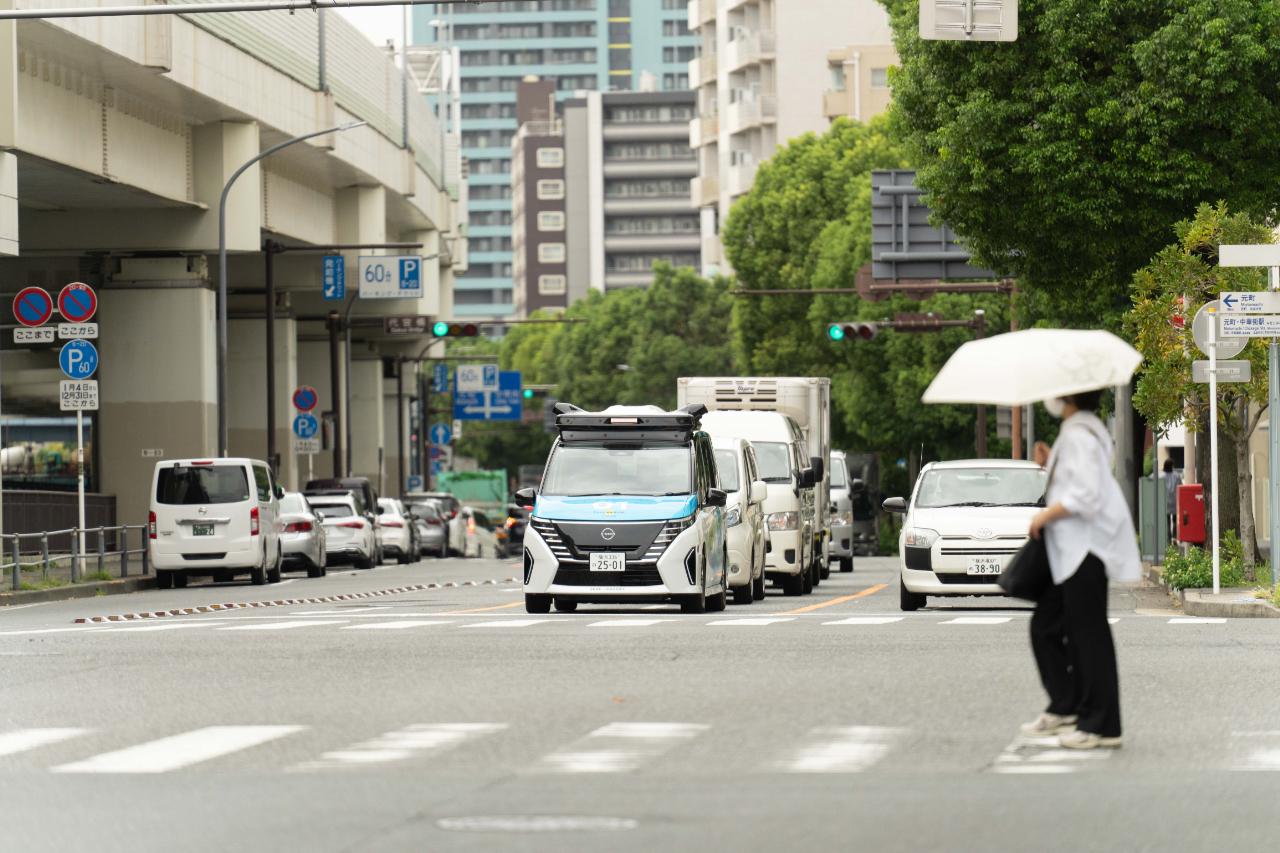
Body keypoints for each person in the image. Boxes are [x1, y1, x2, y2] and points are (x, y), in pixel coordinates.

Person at [1023, 389, 1141, 750]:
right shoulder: (1083, 431)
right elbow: (1079, 483)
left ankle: (1101, 725)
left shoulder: (1078, 435)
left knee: (1087, 637)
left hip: (1084, 549)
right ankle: (1068, 706)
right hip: (1078, 550)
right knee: (1051, 627)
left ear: (1068, 398)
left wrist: (1044, 513)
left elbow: (1085, 495)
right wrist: (1051, 464)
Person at [1162, 458, 1178, 540]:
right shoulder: (1176, 475)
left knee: (1167, 521)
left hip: (1165, 501)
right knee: (1174, 520)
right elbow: (1180, 486)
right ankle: (1174, 537)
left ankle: (1168, 538)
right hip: (1174, 500)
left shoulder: (1162, 476)